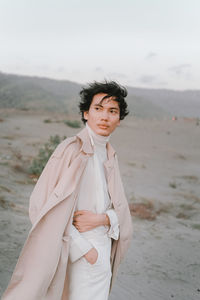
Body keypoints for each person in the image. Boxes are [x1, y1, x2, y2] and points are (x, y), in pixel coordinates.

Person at [2, 81, 133, 300]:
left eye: (112, 111)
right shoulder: (71, 149)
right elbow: (41, 206)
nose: (104, 117)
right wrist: (85, 251)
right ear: (86, 113)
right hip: (75, 252)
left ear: (119, 119)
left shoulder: (109, 155)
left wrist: (104, 219)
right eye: (98, 109)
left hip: (101, 254)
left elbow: (120, 211)